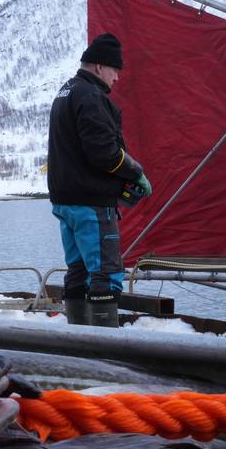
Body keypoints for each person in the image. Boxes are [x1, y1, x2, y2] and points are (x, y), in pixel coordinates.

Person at [47, 32, 152, 328]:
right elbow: (104, 153)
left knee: (78, 272)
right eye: (115, 70)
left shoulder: (65, 92)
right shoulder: (91, 97)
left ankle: (79, 339)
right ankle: (104, 345)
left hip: (65, 201)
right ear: (99, 66)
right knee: (106, 273)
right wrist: (135, 171)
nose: (117, 77)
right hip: (91, 204)